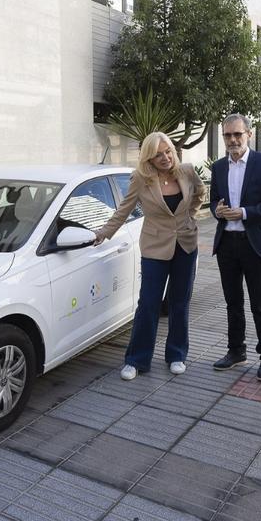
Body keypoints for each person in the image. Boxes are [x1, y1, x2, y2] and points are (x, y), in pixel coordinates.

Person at [95, 132, 205, 380]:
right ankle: (136, 359)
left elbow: (199, 194)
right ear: (149, 158)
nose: (165, 157)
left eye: (167, 151)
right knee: (148, 303)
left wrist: (190, 217)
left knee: (180, 302)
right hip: (155, 247)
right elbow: (124, 209)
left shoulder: (186, 171)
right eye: (158, 155)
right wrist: (104, 232)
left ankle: (176, 355)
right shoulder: (141, 179)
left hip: (186, 245)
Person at [208, 114, 261, 380]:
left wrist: (245, 213)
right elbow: (213, 200)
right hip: (227, 243)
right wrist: (217, 210)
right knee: (232, 302)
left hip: (255, 244)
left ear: (249, 135)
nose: (232, 140)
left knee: (259, 302)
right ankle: (236, 350)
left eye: (237, 134)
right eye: (228, 135)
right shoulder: (218, 167)